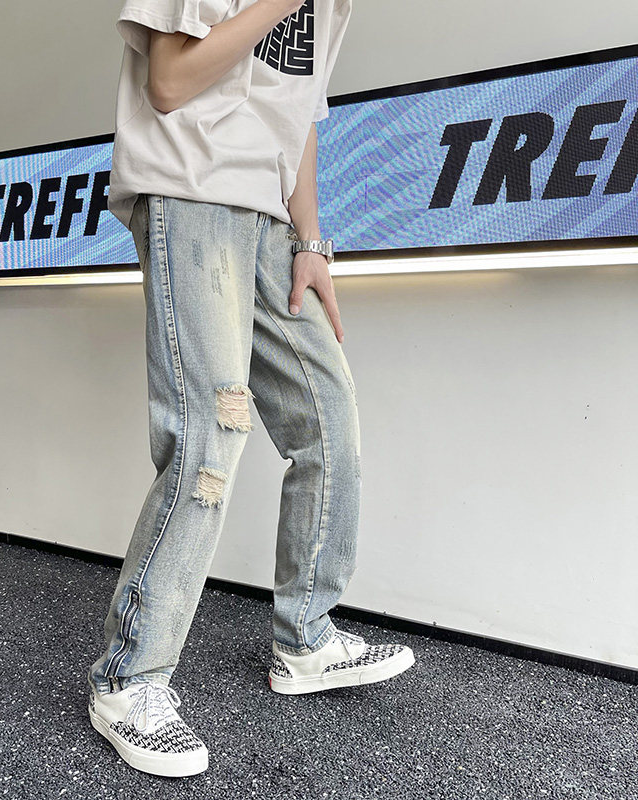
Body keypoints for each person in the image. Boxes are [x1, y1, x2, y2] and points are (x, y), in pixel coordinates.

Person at [87, 0, 415, 777]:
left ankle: (306, 638)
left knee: (328, 418)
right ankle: (128, 681)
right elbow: (169, 81)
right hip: (192, 193)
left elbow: (296, 116)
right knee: (212, 433)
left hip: (271, 221)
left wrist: (311, 242)